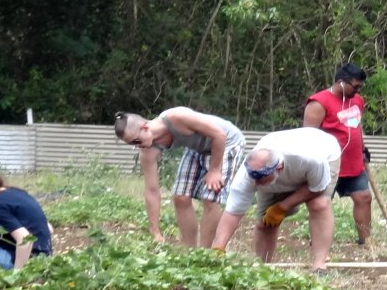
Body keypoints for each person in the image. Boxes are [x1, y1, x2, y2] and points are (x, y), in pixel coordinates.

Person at [211, 127, 341, 272]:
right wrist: (218, 248)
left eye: (261, 179)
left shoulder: (312, 159)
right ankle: (262, 268)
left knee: (319, 204)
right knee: (266, 223)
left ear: (278, 169)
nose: (256, 183)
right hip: (285, 167)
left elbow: (317, 188)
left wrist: (283, 206)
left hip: (325, 151)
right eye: (254, 178)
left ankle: (319, 265)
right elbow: (232, 213)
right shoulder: (246, 177)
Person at [114, 107, 246, 247]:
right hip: (198, 148)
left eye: (136, 141)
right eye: (131, 144)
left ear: (145, 128)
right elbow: (151, 191)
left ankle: (205, 255)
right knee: (180, 196)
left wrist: (214, 170)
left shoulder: (177, 117)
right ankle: (190, 252)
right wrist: (155, 230)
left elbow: (219, 135)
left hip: (227, 142)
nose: (137, 147)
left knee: (210, 197)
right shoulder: (147, 151)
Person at [303, 63, 373, 245]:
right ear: (341, 82)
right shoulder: (318, 102)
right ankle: (318, 242)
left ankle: (365, 241)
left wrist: (363, 149)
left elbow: (357, 127)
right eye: (355, 86)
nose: (357, 90)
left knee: (364, 197)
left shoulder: (357, 100)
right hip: (328, 164)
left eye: (360, 87)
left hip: (353, 162)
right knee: (321, 204)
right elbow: (308, 136)